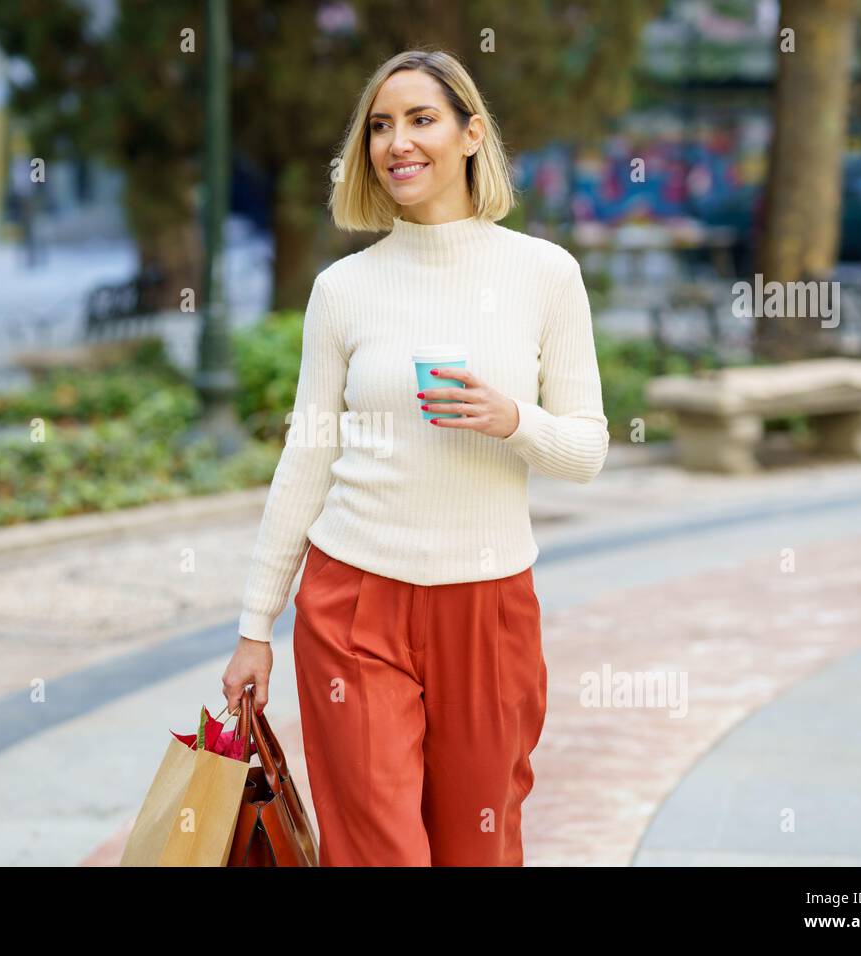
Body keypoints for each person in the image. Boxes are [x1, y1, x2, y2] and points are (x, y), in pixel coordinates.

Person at [221, 49, 610, 866]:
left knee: (481, 845)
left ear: (472, 134)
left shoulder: (544, 274)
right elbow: (308, 457)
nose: (398, 142)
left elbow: (587, 450)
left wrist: (514, 420)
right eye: (380, 126)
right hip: (354, 601)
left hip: (488, 607)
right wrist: (255, 627)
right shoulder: (344, 290)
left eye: (421, 119)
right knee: (377, 850)